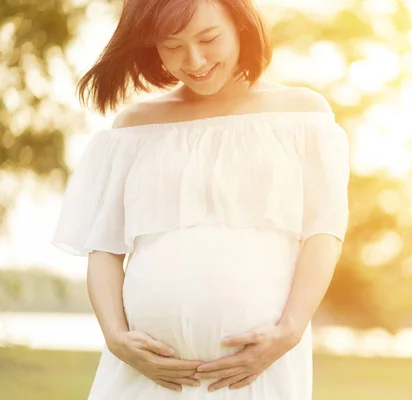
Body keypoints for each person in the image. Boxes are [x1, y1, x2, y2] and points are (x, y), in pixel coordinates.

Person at [52, 0, 350, 398]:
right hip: (144, 376)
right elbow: (104, 247)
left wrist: (289, 331)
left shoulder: (301, 116)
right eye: (171, 46)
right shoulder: (133, 129)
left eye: (208, 38)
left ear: (241, 24)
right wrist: (116, 337)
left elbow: (323, 230)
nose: (193, 60)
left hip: (255, 370)